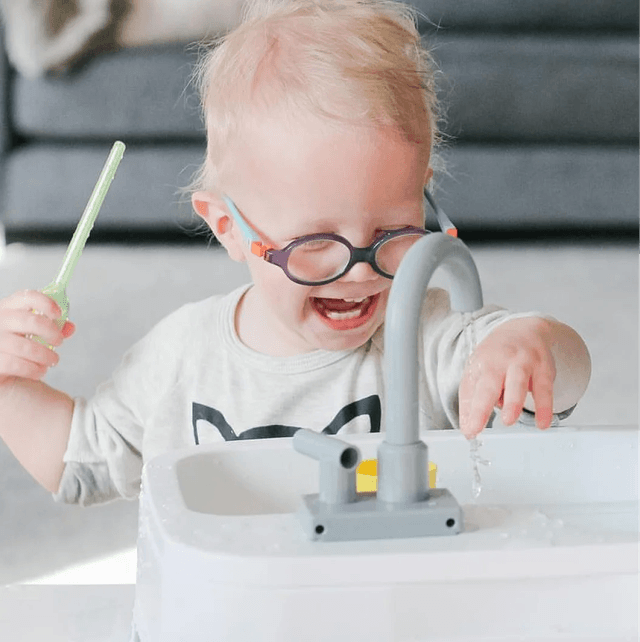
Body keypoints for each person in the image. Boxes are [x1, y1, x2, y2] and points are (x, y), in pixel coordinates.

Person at [0, 0, 590, 506]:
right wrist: (7, 384)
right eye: (315, 243)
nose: (359, 271)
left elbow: (564, 378)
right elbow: (80, 464)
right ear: (230, 228)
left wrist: (532, 342)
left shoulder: (427, 333)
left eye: (393, 232)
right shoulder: (182, 356)